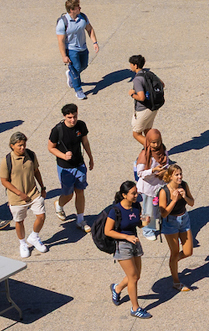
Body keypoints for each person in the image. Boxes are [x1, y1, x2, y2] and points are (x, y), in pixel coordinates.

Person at [102, 180, 152, 318]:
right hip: (122, 245)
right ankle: (135, 308)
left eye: (136, 192)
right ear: (124, 195)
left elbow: (137, 224)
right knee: (133, 277)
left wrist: (145, 223)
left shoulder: (136, 206)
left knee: (136, 276)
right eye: (133, 193)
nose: (136, 195)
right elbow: (108, 231)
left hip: (134, 242)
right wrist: (126, 237)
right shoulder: (115, 211)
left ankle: (117, 288)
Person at [0, 133, 50, 258]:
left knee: (41, 216)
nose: (22, 148)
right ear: (12, 146)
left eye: (24, 145)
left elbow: (36, 171)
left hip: (33, 193)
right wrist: (19, 193)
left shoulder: (30, 155)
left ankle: (34, 236)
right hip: (16, 198)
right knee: (19, 221)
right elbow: (4, 180)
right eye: (19, 145)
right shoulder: (7, 161)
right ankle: (22, 243)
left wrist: (42, 187)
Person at [48, 103, 95, 231]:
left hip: (79, 164)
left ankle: (80, 220)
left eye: (74, 116)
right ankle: (59, 204)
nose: (73, 120)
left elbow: (85, 142)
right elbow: (50, 147)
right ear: (64, 116)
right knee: (68, 194)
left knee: (80, 191)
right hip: (65, 167)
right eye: (69, 117)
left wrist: (90, 157)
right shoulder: (57, 130)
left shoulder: (81, 125)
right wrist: (63, 156)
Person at [156, 165, 196, 293]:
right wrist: (173, 200)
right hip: (170, 222)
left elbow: (192, 203)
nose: (180, 177)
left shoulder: (184, 185)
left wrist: (184, 196)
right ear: (170, 176)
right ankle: (176, 281)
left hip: (184, 218)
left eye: (180, 174)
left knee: (188, 251)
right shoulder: (164, 191)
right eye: (177, 175)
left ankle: (173, 262)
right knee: (174, 251)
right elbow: (163, 213)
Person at [56, 0, 99, 100]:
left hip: (83, 47)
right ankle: (78, 90)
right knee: (76, 68)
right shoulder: (63, 22)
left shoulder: (82, 17)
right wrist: (64, 56)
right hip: (71, 49)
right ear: (71, 10)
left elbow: (89, 29)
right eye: (77, 7)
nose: (80, 8)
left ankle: (70, 74)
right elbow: (61, 41)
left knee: (83, 66)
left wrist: (94, 42)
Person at [129, 54, 156, 146]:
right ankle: (157, 150)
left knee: (136, 134)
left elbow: (141, 97)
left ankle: (155, 150)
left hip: (143, 109)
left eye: (131, 64)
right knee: (147, 130)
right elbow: (162, 84)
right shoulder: (149, 74)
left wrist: (132, 94)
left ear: (135, 65)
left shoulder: (137, 79)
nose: (130, 66)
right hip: (153, 107)